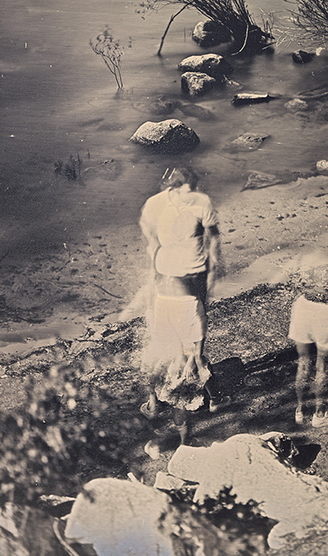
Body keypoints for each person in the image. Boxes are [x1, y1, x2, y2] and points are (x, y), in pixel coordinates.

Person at [138, 166, 222, 446]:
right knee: (181, 350)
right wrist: (154, 251)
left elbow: (213, 236)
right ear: (173, 188)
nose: (192, 195)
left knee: (186, 346)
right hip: (173, 285)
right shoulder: (158, 204)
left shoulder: (196, 203)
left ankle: (178, 400)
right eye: (187, 190)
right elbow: (147, 230)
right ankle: (177, 403)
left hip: (188, 280)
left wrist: (213, 267)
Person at [288, 274, 328, 429]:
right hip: (324, 309)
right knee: (323, 366)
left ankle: (300, 410)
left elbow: (294, 280)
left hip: (302, 305)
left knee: (303, 363)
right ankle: (320, 414)